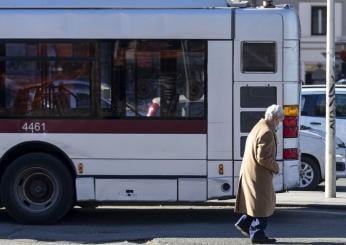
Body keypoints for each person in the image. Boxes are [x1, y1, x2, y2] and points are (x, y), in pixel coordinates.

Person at [234, 104, 283, 244]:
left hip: (252, 172)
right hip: (258, 174)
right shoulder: (266, 132)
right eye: (279, 120)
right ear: (274, 118)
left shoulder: (258, 126)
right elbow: (263, 158)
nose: (279, 123)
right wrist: (276, 167)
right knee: (263, 205)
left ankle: (244, 223)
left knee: (256, 203)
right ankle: (257, 233)